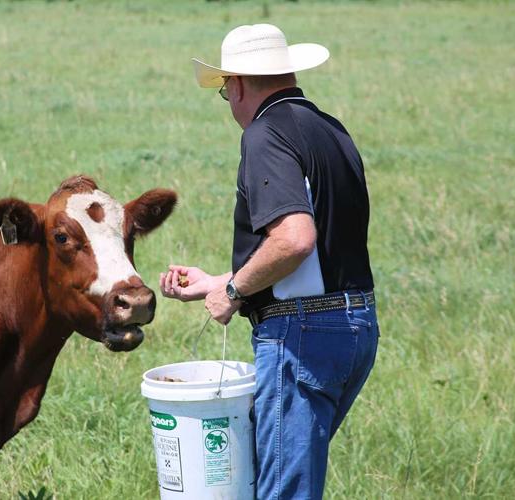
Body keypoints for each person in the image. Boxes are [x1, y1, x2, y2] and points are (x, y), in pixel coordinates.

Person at [159, 24, 379, 500]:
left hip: (302, 339)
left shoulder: (264, 134)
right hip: (355, 326)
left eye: (224, 91)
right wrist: (218, 281)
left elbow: (295, 239)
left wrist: (233, 293)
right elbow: (317, 258)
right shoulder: (331, 130)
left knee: (282, 491)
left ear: (236, 84)